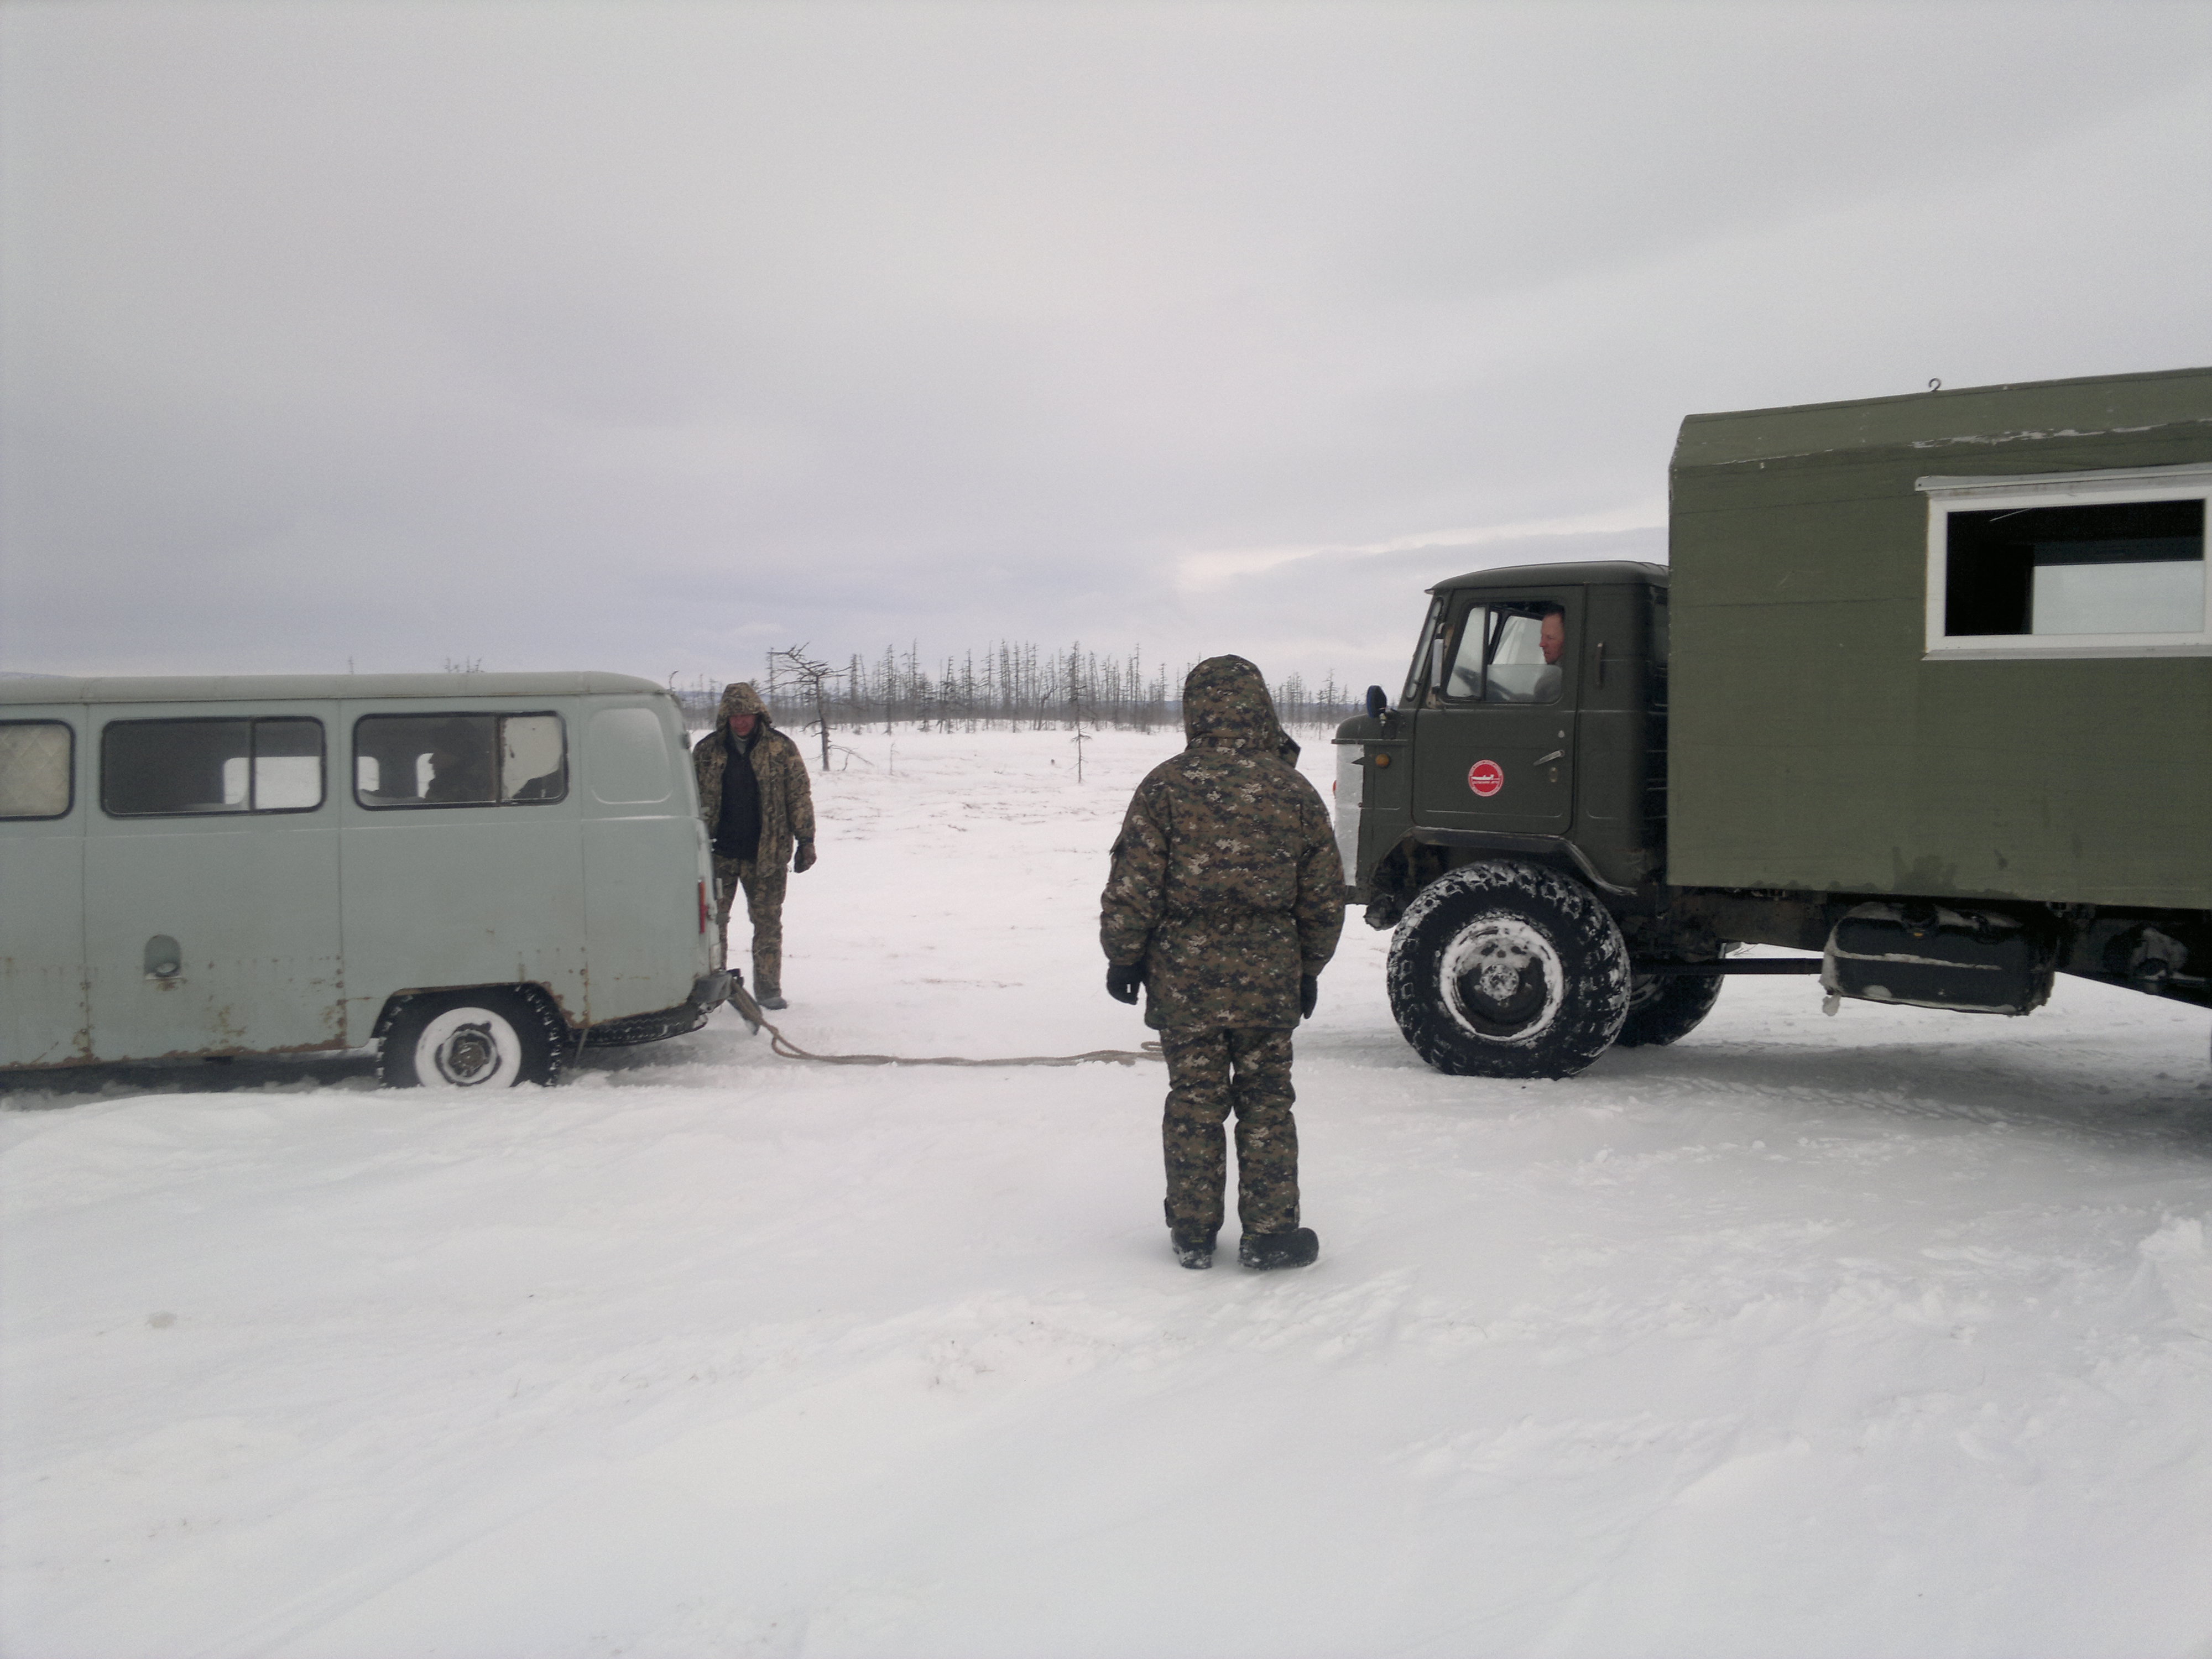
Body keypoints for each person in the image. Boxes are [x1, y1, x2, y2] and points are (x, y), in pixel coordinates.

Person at [1099, 656, 1346, 1271]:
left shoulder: (1165, 786)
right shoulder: (1292, 790)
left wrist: (1124, 957)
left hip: (1184, 979)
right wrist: (1308, 968)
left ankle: (1192, 1232)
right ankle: (1269, 1234)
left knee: (1194, 1100)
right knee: (1267, 1101)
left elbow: (1134, 882)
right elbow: (1323, 896)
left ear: (1195, 709)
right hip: (1269, 978)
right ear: (1259, 708)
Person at [692, 682, 816, 1010]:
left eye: (746, 714)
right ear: (725, 717)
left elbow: (799, 796)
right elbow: (689, 800)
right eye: (734, 715)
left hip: (768, 855)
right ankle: (713, 990)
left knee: (768, 924)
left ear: (758, 714)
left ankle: (768, 990)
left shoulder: (781, 748)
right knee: (712, 924)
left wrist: (806, 840)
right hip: (717, 856)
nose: (741, 721)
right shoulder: (707, 751)